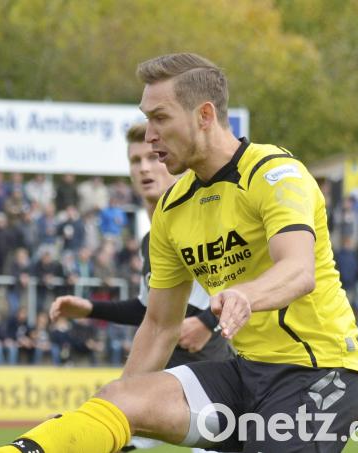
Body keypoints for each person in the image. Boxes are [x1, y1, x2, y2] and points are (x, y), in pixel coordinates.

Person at [0, 53, 358, 453]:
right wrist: (114, 416)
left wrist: (246, 293)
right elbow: (161, 323)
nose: (149, 136)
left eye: (160, 118)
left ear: (205, 115)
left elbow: (298, 269)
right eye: (147, 119)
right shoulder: (172, 208)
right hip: (245, 376)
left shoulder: (275, 173)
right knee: (118, 398)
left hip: (322, 375)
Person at [48, 122, 233, 452]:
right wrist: (90, 308)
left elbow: (246, 281)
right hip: (167, 378)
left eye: (152, 157)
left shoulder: (205, 217)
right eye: (135, 161)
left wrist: (208, 322)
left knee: (98, 432)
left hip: (212, 383)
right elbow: (153, 310)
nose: (145, 168)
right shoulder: (153, 239)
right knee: (95, 434)